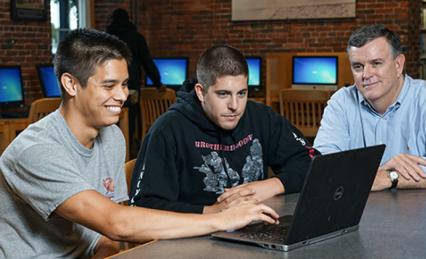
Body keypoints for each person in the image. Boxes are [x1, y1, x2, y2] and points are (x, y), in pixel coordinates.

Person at [0, 29, 279, 258]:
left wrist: (108, 252)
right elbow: (117, 222)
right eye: (109, 86)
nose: (122, 95)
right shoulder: (35, 150)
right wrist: (222, 219)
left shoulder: (111, 136)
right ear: (71, 85)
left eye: (124, 84)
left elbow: (107, 234)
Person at [130, 45, 315, 214]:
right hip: (194, 238)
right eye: (223, 94)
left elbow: (313, 163)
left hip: (253, 228)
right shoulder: (167, 130)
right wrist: (214, 213)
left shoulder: (261, 116)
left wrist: (270, 185)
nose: (235, 106)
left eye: (241, 93)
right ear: (201, 92)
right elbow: (144, 206)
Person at [313, 24, 426, 191]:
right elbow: (320, 170)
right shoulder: (341, 103)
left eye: (376, 63)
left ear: (398, 65)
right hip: (360, 213)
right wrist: (376, 174)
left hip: (420, 212)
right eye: (358, 66)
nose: (366, 75)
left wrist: (390, 177)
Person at [106, 8, 163, 155]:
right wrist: (158, 83)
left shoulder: (106, 38)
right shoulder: (136, 37)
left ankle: (110, 153)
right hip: (130, 87)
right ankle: (128, 153)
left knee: (110, 121)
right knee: (130, 121)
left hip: (109, 88)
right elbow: (147, 63)